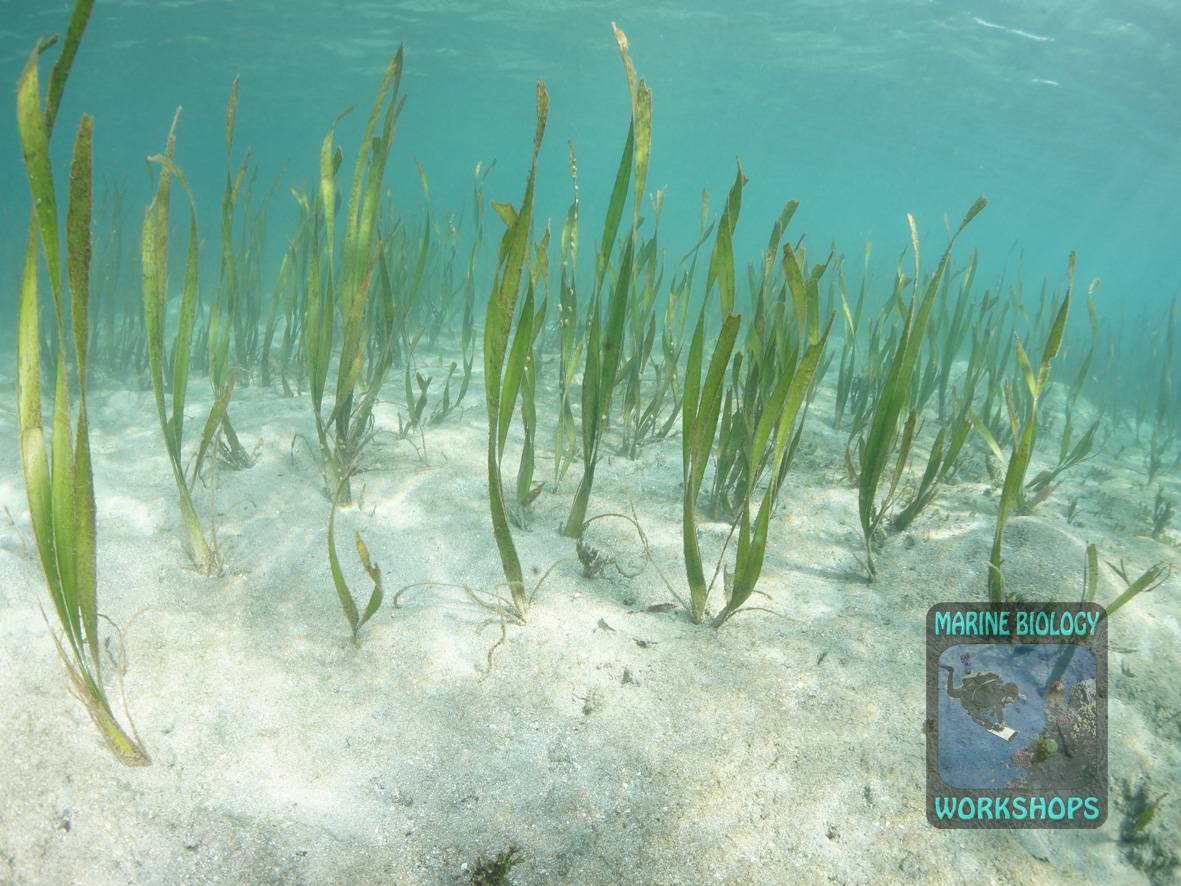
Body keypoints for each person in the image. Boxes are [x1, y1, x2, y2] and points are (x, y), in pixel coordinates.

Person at [940, 664, 1020, 732]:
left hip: (972, 694)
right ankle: (951, 671)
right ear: (1006, 694)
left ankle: (963, 674)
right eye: (1009, 700)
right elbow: (977, 717)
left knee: (953, 693)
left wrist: (1000, 722)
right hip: (968, 694)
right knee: (951, 693)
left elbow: (998, 708)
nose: (1008, 703)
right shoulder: (996, 696)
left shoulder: (998, 691)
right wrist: (991, 726)